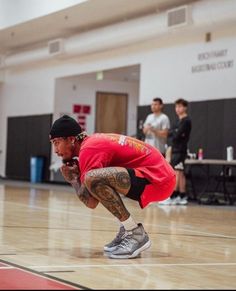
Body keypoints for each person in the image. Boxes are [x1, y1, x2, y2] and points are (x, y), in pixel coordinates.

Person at [49, 115, 176, 259]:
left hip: (159, 179)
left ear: (71, 139)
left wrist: (73, 180)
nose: (55, 150)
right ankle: (126, 229)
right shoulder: (92, 142)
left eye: (56, 142)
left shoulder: (88, 149)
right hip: (159, 175)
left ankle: (135, 233)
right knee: (99, 181)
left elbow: (91, 202)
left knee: (93, 178)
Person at [160, 99, 191, 205]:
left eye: (180, 107)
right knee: (180, 173)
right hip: (175, 149)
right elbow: (170, 133)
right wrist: (174, 132)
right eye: (176, 107)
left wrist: (174, 132)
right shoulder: (177, 121)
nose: (178, 109)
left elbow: (177, 135)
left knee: (177, 173)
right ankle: (181, 195)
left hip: (180, 150)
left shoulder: (186, 121)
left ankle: (172, 195)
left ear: (185, 107)